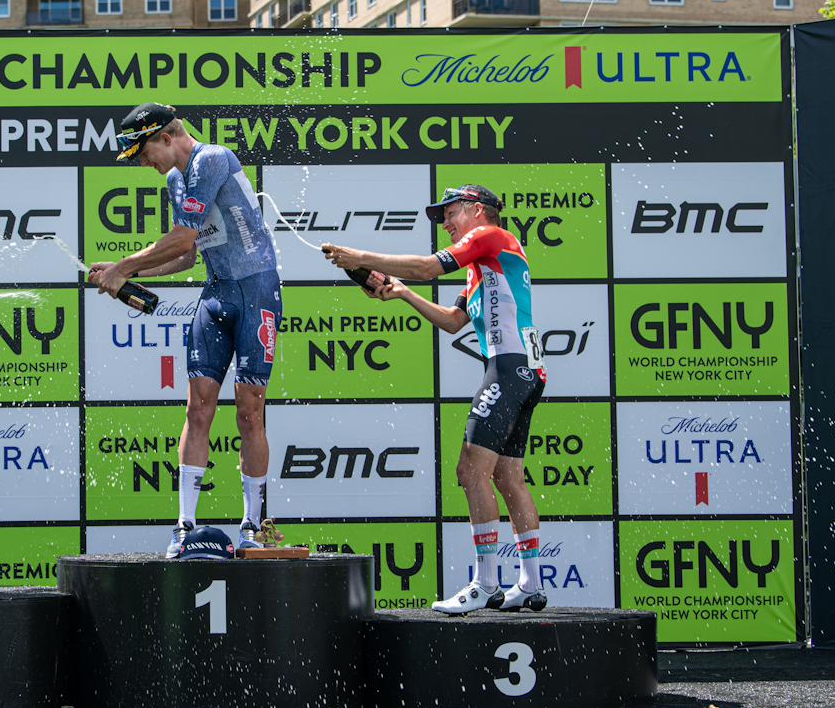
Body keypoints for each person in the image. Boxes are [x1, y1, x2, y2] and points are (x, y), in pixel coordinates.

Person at [323, 184, 547, 613]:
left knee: (469, 469)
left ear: (477, 209)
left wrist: (360, 258)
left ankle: (484, 583)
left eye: (450, 213)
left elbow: (426, 268)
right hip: (526, 371)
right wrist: (402, 292)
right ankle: (531, 584)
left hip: (508, 366)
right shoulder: (484, 261)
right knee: (506, 478)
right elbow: (452, 321)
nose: (445, 223)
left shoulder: (488, 237)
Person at [90, 103, 282, 558]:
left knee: (249, 413)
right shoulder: (176, 180)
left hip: (257, 289)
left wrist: (121, 266)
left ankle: (252, 526)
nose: (141, 164)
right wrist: (126, 277)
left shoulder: (212, 158)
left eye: (141, 153)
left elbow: (177, 238)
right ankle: (184, 525)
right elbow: (188, 254)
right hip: (217, 293)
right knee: (198, 409)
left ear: (164, 137)